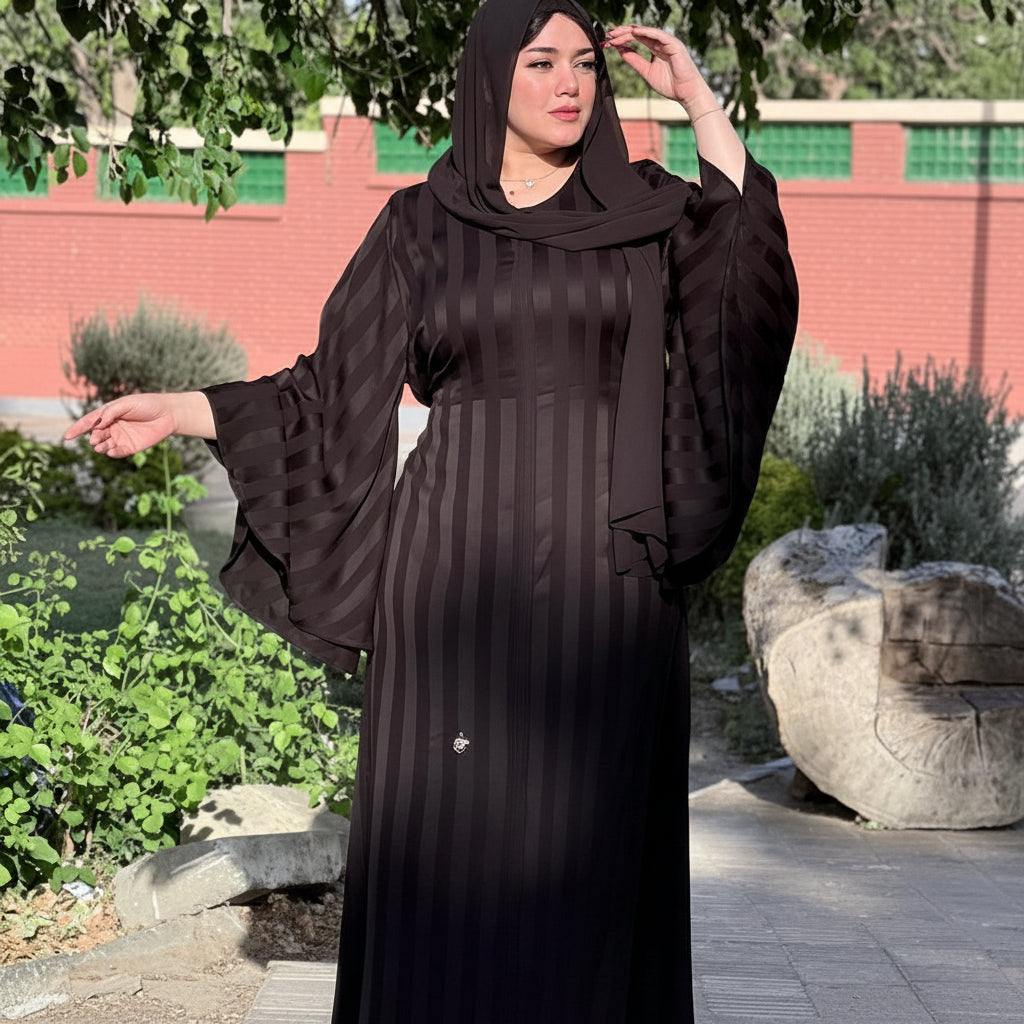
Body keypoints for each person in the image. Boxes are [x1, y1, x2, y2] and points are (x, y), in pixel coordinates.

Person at [66, 0, 798, 1020]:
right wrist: (188, 409)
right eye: (540, 62)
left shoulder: (647, 207)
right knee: (448, 841)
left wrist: (703, 106)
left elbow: (742, 287)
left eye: (585, 62)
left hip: (610, 578)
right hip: (455, 567)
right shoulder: (422, 221)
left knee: (586, 850)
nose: (568, 83)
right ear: (491, 76)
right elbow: (331, 387)